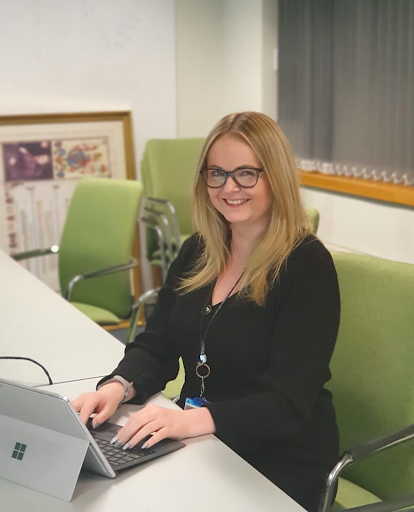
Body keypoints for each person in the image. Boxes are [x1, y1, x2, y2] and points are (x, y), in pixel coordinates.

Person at [73, 112, 340, 512]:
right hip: (200, 441)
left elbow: (287, 403)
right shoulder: (198, 250)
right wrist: (117, 387)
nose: (229, 187)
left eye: (246, 173)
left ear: (276, 177)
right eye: (216, 173)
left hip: (278, 459)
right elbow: (157, 344)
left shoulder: (306, 266)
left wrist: (191, 422)